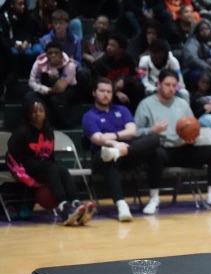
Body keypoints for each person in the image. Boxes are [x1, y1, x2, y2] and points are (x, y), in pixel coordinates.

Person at [134, 68, 211, 213]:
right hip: (163, 149)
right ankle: (154, 198)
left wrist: (193, 136)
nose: (171, 89)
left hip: (184, 148)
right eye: (167, 85)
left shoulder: (182, 103)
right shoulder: (146, 105)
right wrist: (152, 130)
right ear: (159, 85)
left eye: (174, 85)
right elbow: (135, 132)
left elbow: (193, 125)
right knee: (155, 155)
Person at [82, 77, 164, 221]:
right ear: (94, 93)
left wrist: (114, 137)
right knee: (110, 159)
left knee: (154, 139)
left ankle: (117, 153)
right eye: (102, 91)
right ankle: (122, 206)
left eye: (109, 91)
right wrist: (114, 144)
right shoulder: (89, 116)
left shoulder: (122, 110)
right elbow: (98, 138)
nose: (106, 94)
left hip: (126, 153)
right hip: (101, 155)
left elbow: (132, 131)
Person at [7, 96, 95, 225]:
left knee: (63, 170)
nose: (37, 114)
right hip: (27, 167)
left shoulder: (49, 132)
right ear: (28, 114)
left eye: (40, 111)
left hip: (46, 167)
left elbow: (50, 157)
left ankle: (76, 203)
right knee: (50, 167)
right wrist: (29, 181)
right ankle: (64, 207)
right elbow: (12, 160)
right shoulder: (20, 133)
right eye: (34, 111)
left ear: (45, 113)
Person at [27, 40, 78, 129]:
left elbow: (60, 88)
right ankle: (29, 125)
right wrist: (46, 90)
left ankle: (65, 127)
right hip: (46, 89)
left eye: (56, 53)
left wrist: (54, 70)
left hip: (67, 89)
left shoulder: (70, 65)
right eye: (50, 53)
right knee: (29, 97)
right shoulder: (39, 63)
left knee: (55, 101)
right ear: (46, 55)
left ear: (61, 54)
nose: (53, 55)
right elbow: (32, 82)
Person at [92, 32, 145, 113]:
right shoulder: (100, 63)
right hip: (109, 89)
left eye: (113, 45)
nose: (109, 47)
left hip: (125, 88)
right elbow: (98, 82)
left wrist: (124, 81)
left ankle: (137, 114)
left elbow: (134, 76)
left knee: (139, 87)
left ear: (121, 49)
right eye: (108, 45)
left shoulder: (129, 59)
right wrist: (116, 92)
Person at [182, 19, 211, 92]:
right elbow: (193, 59)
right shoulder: (193, 41)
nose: (204, 31)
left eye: (207, 28)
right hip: (198, 69)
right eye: (202, 29)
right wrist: (210, 68)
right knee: (204, 76)